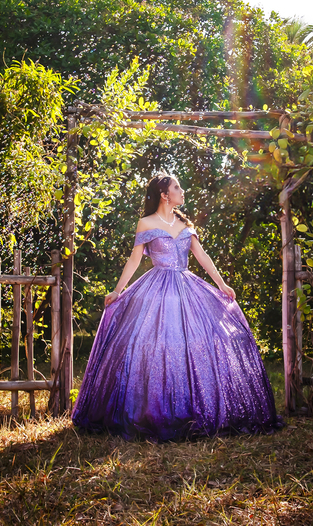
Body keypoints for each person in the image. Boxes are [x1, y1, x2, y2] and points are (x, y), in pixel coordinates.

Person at [71, 173, 282, 441]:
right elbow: (134, 260)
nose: (182, 191)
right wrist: (117, 290)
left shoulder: (184, 223)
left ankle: (196, 408)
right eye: (177, 187)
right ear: (164, 194)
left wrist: (221, 284)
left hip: (186, 287)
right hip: (157, 289)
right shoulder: (146, 223)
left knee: (201, 340)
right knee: (154, 343)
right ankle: (153, 412)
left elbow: (201, 255)